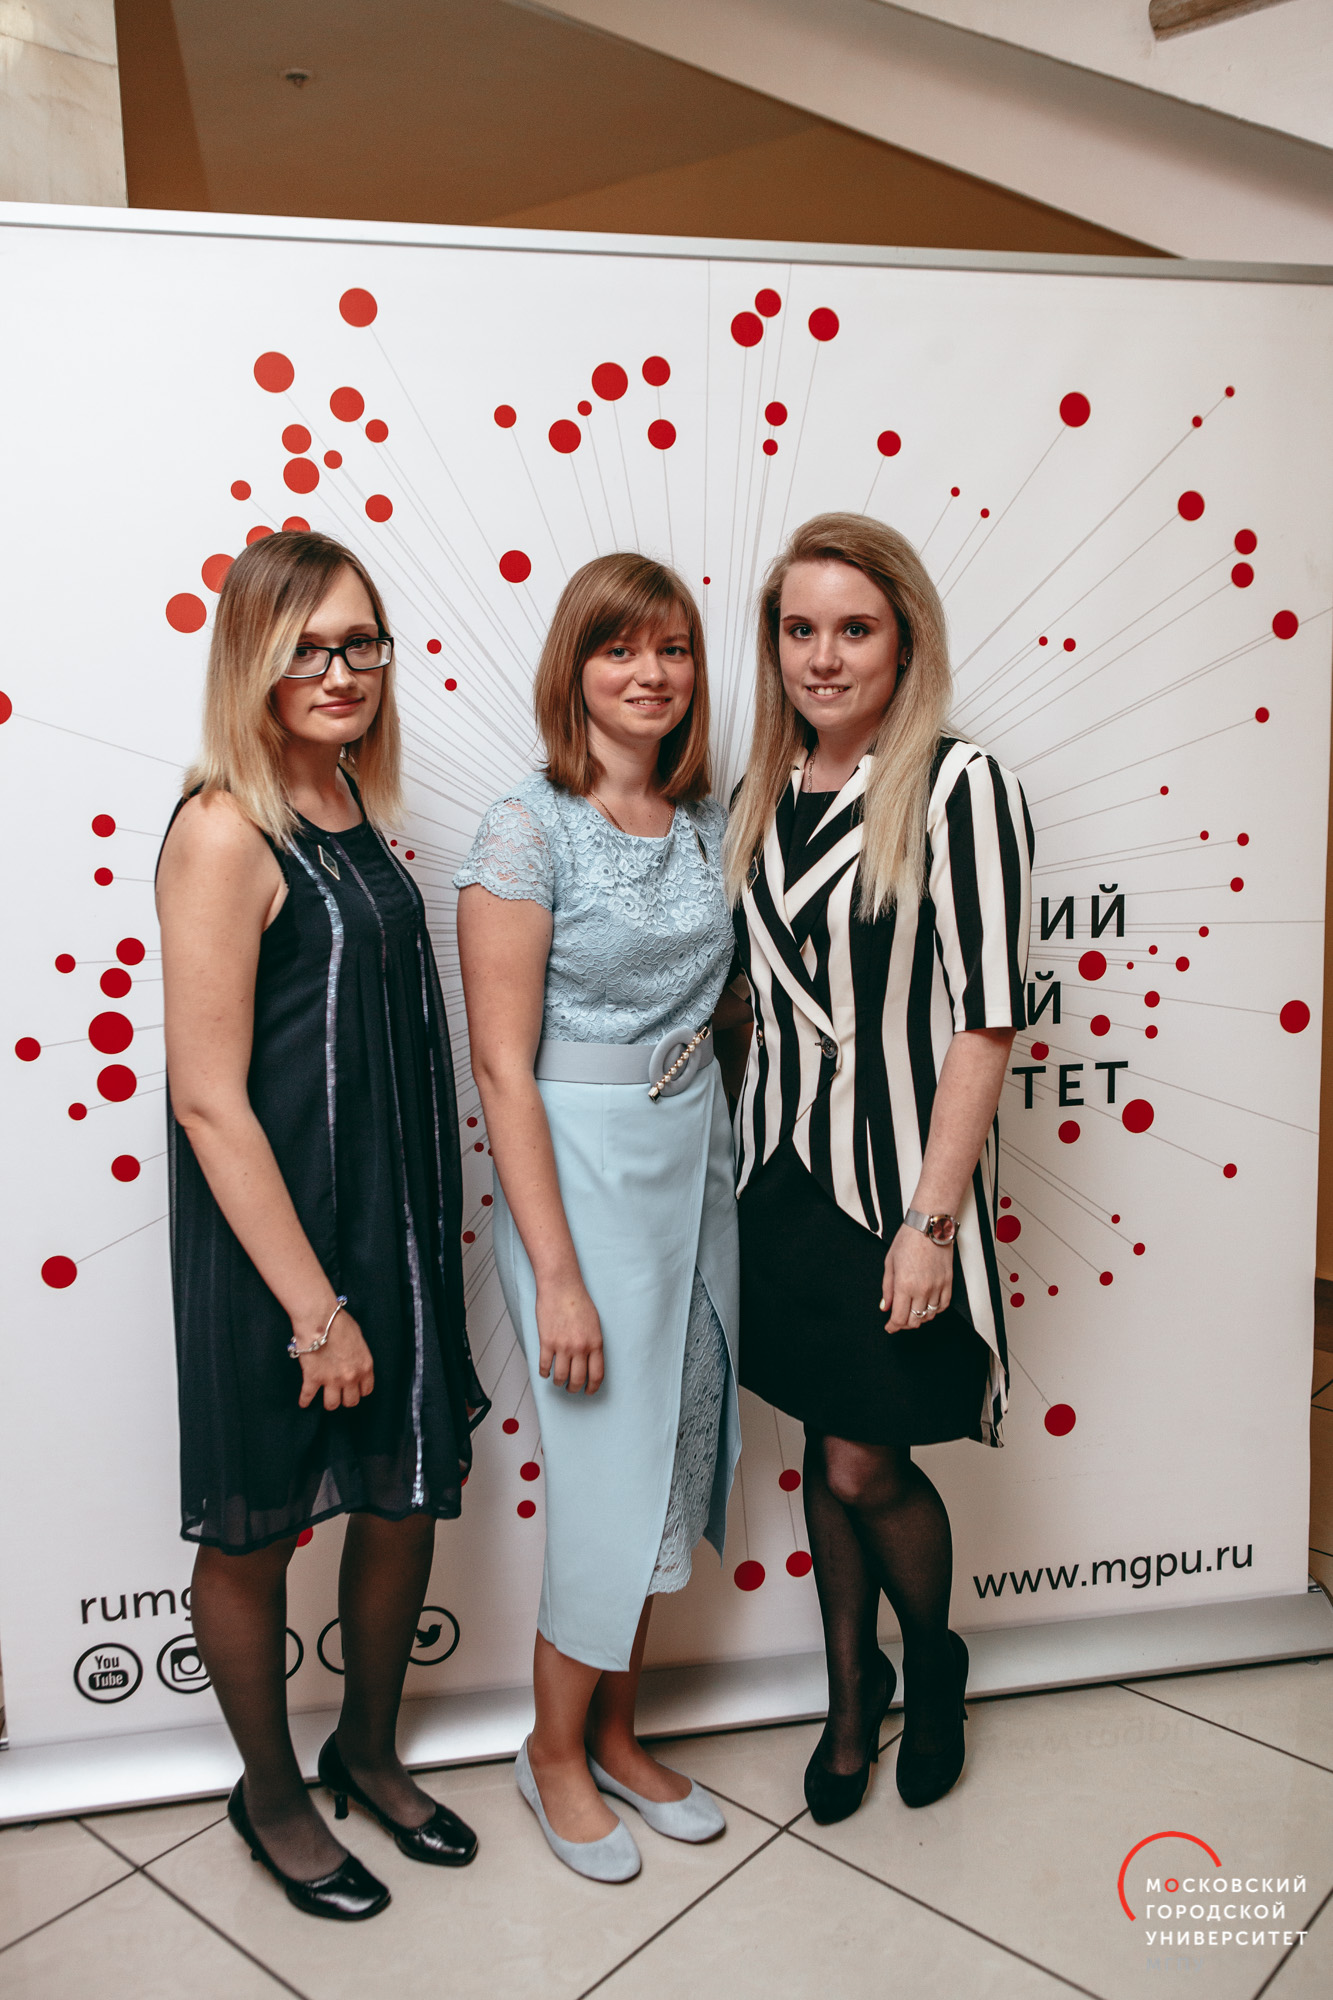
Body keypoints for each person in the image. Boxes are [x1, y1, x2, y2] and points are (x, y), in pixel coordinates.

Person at [157, 530, 488, 1921]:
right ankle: (274, 1796)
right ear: (252, 658)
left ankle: (368, 1749)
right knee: (255, 1533)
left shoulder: (347, 795)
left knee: (403, 1498)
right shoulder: (222, 830)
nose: (341, 671)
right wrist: (314, 1309)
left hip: (389, 1230)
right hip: (278, 1257)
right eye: (306, 647)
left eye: (361, 642)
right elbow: (208, 1100)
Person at [726, 513, 1032, 1820]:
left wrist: (931, 1222)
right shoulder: (756, 792)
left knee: (866, 1464)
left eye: (854, 629)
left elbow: (985, 1018)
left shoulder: (960, 787)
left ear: (904, 642)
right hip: (778, 1186)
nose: (824, 656)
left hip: (893, 1191)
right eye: (800, 630)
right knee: (822, 1446)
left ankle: (934, 1666)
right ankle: (850, 1699)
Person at [456, 553, 740, 1883]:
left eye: (673, 649)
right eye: (620, 648)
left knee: (671, 1453)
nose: (651, 673)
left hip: (693, 1157)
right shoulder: (527, 828)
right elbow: (501, 1065)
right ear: (572, 668)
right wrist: (556, 1276)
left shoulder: (705, 820)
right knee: (604, 1470)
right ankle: (551, 1753)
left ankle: (618, 1735)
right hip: (575, 1172)